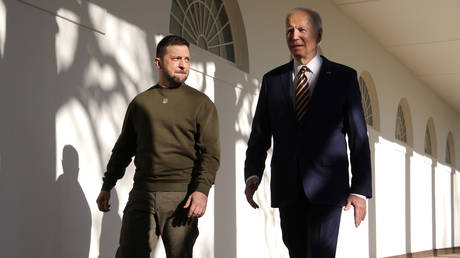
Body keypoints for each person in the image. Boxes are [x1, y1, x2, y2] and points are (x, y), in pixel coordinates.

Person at [244, 8, 372, 258]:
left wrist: (359, 189)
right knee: (297, 254)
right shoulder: (273, 80)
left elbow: (358, 137)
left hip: (328, 189)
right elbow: (260, 133)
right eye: (289, 30)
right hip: (287, 188)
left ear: (319, 34)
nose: (295, 35)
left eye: (302, 29)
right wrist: (252, 174)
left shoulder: (344, 78)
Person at [96, 35, 220, 258]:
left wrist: (201, 191)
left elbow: (210, 154)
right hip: (142, 193)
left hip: (181, 196)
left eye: (187, 59)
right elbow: (123, 148)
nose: (183, 64)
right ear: (158, 62)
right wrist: (108, 184)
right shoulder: (141, 102)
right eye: (176, 59)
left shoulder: (201, 104)